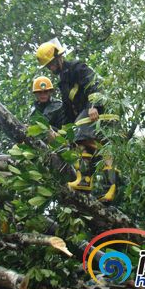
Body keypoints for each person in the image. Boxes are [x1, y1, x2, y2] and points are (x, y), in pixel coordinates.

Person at [35, 38, 117, 202]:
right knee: (80, 145)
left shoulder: (77, 67)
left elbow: (94, 83)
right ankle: (86, 180)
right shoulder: (63, 81)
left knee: (98, 147)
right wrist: (64, 132)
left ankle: (111, 188)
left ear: (59, 58)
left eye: (51, 64)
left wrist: (94, 105)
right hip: (85, 118)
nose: (51, 68)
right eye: (48, 66)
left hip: (100, 111)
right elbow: (68, 112)